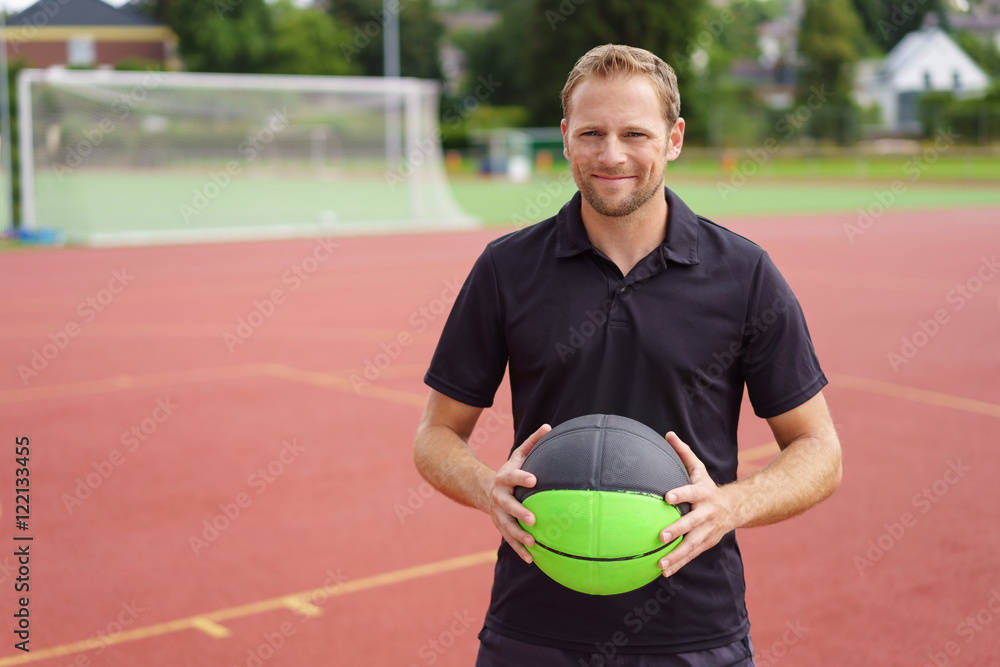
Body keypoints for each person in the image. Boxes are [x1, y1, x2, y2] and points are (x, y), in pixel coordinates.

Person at [413, 44, 842, 666]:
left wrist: (732, 504)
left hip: (693, 629)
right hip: (535, 625)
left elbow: (819, 450)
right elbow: (436, 434)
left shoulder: (744, 275)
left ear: (673, 138)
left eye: (634, 133)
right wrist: (487, 489)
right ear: (564, 138)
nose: (611, 155)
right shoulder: (506, 269)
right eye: (592, 133)